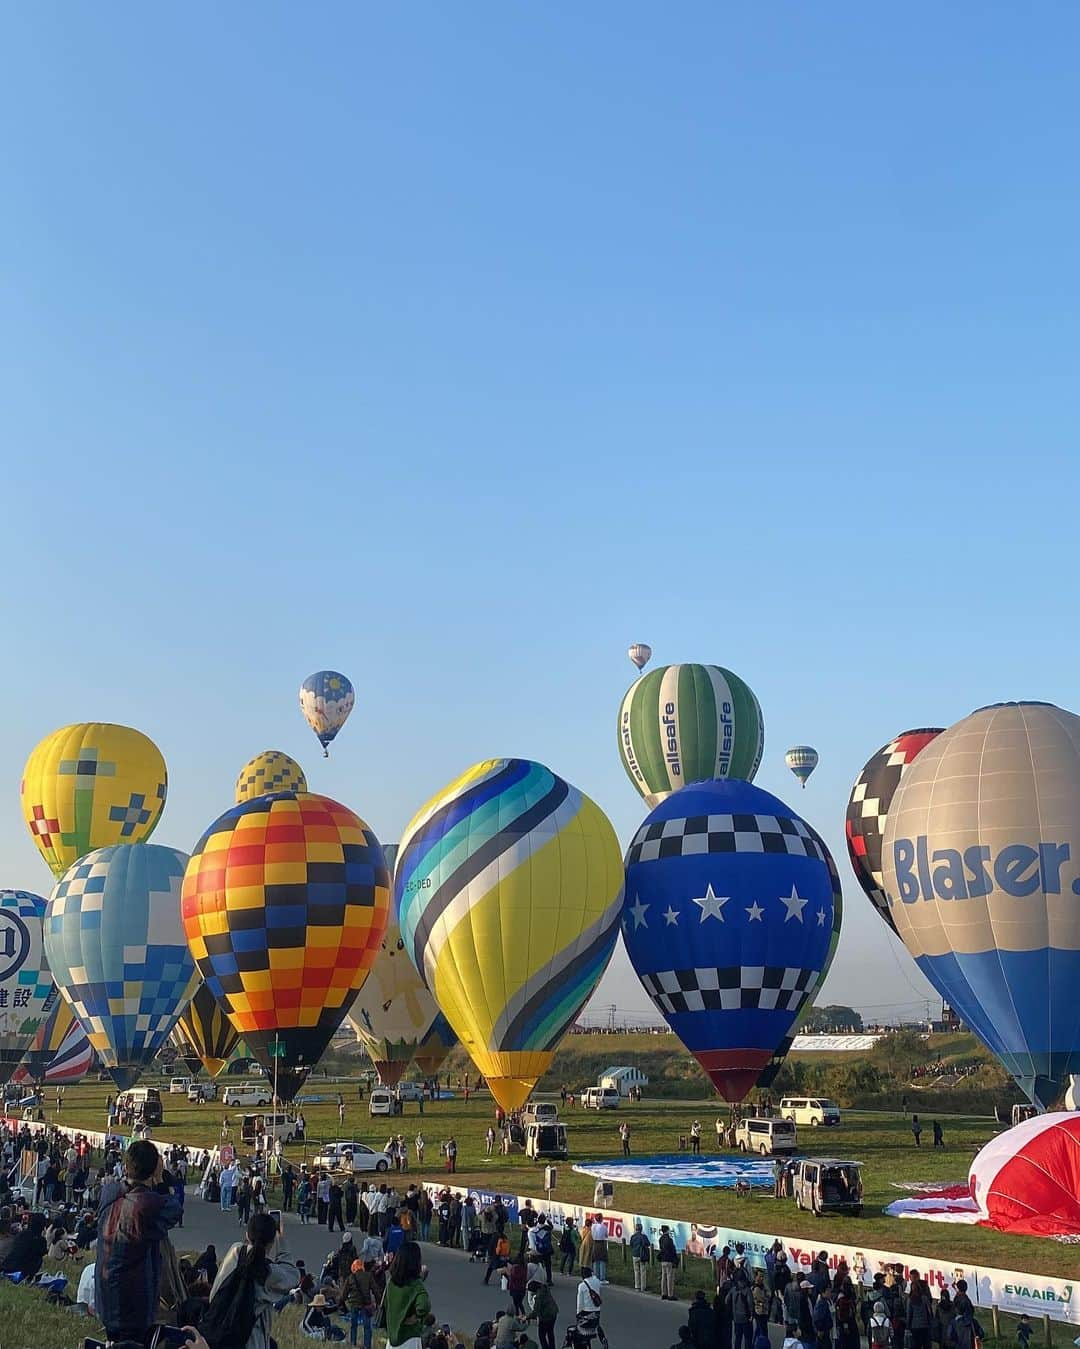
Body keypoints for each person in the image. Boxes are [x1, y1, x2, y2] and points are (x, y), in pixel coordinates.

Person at [95, 1140, 182, 1345]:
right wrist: (160, 1180)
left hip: (106, 1294)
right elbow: (175, 1208)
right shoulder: (147, 1204)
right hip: (133, 1303)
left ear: (126, 1166)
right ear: (153, 1169)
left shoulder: (109, 1192)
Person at [208, 1210, 300, 1349]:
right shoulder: (267, 1272)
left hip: (218, 1336)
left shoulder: (235, 1252)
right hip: (251, 1342)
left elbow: (213, 1295)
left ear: (247, 1234)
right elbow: (293, 1276)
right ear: (272, 1241)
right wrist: (281, 1241)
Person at [384, 1240, 432, 1349]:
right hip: (409, 1338)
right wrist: (416, 1317)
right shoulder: (415, 1285)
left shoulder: (391, 1282)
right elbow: (424, 1305)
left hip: (392, 1339)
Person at [0, 1211, 47, 1280]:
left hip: (7, 1266)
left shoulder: (21, 1234)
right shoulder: (40, 1240)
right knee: (38, 1259)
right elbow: (43, 1252)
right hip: (22, 1270)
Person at [343, 1258, 378, 1349]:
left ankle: (353, 1344)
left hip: (354, 1304)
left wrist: (340, 1304)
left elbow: (344, 1294)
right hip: (365, 1305)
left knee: (353, 1325)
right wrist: (379, 1301)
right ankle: (367, 1346)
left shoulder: (350, 1277)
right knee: (367, 1327)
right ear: (362, 1267)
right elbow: (375, 1290)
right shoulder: (368, 1276)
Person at [575, 1266, 609, 1349]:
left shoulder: (582, 1286)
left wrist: (578, 1313)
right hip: (596, 1310)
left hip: (586, 1312)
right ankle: (603, 1339)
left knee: (584, 1332)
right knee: (596, 1325)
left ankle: (587, 1345)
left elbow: (580, 1302)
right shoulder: (597, 1281)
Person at [526, 1277, 559, 1349]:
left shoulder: (538, 1297)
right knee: (550, 1332)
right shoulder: (545, 1288)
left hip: (545, 1317)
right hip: (553, 1313)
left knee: (542, 1335)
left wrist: (526, 1317)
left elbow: (536, 1311)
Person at [658, 1225, 679, 1303]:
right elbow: (672, 1250)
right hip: (669, 1259)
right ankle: (670, 1294)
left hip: (663, 1259)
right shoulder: (669, 1240)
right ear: (667, 1231)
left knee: (663, 1277)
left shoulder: (661, 1239)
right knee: (670, 1277)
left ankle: (663, 1293)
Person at [629, 1220, 651, 1292]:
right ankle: (643, 1287)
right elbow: (648, 1244)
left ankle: (637, 1286)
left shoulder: (633, 1236)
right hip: (642, 1255)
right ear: (641, 1229)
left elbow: (631, 1245)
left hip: (635, 1255)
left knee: (636, 1271)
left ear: (636, 1229)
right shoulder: (643, 1236)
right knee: (643, 1271)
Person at [589, 1215, 609, 1283]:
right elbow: (606, 1235)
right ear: (601, 1219)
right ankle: (602, 1278)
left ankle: (595, 1276)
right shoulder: (604, 1227)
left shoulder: (593, 1226)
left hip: (595, 1243)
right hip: (601, 1243)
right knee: (602, 1260)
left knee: (595, 1260)